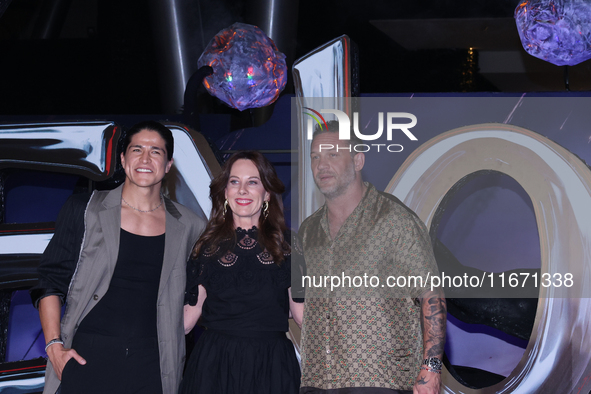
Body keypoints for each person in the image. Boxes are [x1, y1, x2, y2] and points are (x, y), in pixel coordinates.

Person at [29, 120, 206, 394]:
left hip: (154, 365)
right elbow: (50, 280)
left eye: (156, 151)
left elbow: (201, 285)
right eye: (137, 149)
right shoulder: (84, 209)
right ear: (123, 159)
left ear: (169, 164)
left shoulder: (191, 225)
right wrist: (54, 346)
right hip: (86, 356)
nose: (145, 158)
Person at [298, 121, 446, 394]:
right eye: (315, 156)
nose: (321, 165)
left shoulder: (394, 220)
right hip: (318, 380)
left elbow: (431, 294)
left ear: (357, 160)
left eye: (332, 154)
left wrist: (431, 368)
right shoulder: (308, 232)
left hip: (381, 379)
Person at [181, 150, 304, 394]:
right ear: (225, 192)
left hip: (272, 366)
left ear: (267, 193)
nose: (242, 190)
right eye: (234, 182)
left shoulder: (291, 245)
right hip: (215, 366)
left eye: (253, 182)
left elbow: (303, 316)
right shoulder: (205, 245)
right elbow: (187, 320)